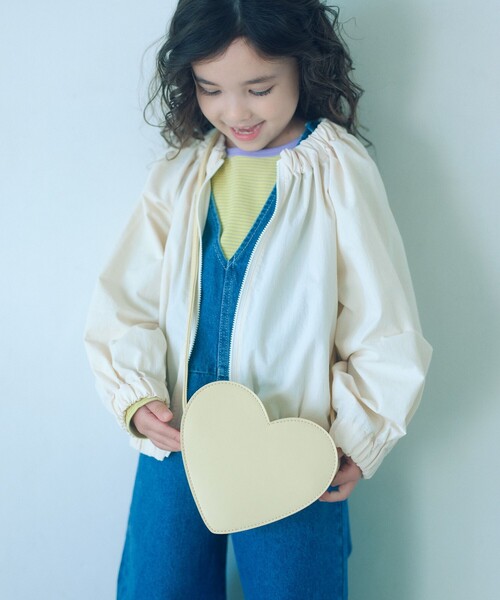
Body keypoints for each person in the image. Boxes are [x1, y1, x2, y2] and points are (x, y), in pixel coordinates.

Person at [84, 1, 432, 598]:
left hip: (297, 437)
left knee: (294, 585)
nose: (235, 112)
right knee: (159, 583)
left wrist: (359, 436)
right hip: (178, 429)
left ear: (304, 65)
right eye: (211, 89)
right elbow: (126, 298)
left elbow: (382, 321)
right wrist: (134, 395)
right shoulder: (178, 176)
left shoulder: (336, 170)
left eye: (259, 89)